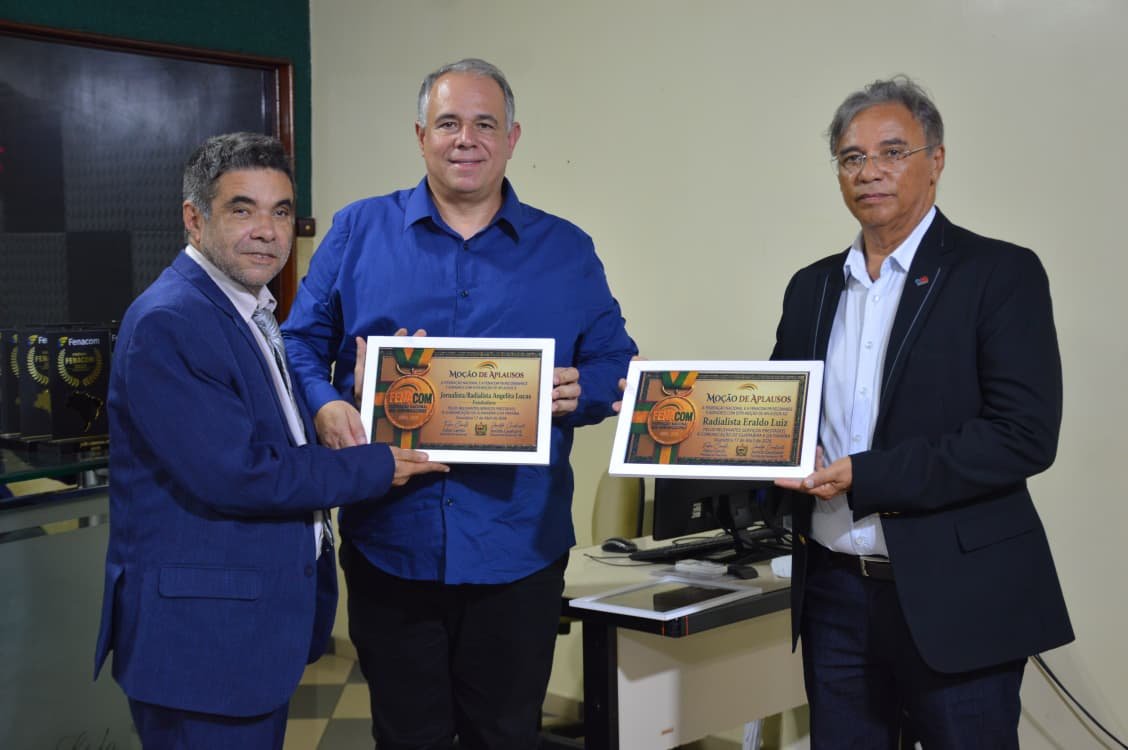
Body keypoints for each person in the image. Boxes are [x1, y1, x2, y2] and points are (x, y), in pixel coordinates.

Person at [281, 58, 637, 749]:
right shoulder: (357, 232)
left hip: (517, 547)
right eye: (448, 123)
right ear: (421, 136)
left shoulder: (565, 249)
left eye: (484, 124)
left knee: (503, 734)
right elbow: (297, 345)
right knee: (406, 733)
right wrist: (327, 405)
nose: (465, 139)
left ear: (512, 138)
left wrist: (582, 390)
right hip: (391, 540)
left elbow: (617, 361)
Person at [93, 132, 447, 749]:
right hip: (201, 645)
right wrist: (375, 466)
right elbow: (240, 473)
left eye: (281, 211)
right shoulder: (171, 321)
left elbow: (273, 426)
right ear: (193, 219)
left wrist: (376, 396)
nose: (267, 230)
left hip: (244, 636)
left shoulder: (249, 308)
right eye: (242, 209)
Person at [771, 77, 1073, 748]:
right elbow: (782, 420)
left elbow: (1023, 436)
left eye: (892, 151)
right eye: (851, 157)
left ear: (935, 161)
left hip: (957, 596)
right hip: (835, 596)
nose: (869, 171)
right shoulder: (811, 287)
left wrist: (866, 474)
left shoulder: (999, 274)